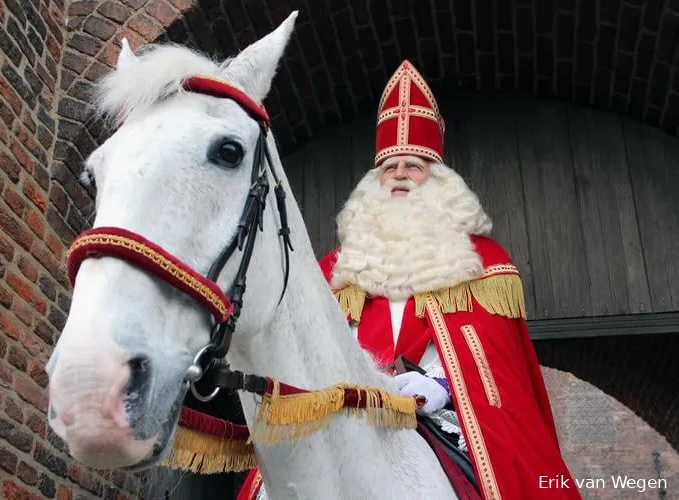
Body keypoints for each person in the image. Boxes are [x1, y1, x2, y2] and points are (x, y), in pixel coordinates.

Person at [237, 61, 580, 500]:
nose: (399, 174)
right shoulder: (337, 269)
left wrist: (440, 386)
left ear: (438, 182)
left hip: (443, 419)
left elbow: (497, 371)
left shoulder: (481, 263)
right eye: (389, 167)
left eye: (414, 166)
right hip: (346, 415)